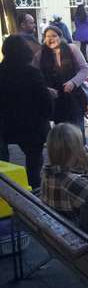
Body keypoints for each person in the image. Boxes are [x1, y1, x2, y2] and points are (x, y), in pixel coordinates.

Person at [0, 35, 52, 189]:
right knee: (34, 161)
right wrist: (47, 114)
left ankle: (7, 188)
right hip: (32, 126)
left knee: (3, 160)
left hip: (5, 125)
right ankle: (34, 188)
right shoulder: (32, 73)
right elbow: (44, 100)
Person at [37, 25, 88, 132]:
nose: (51, 39)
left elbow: (84, 69)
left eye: (54, 36)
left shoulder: (71, 48)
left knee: (77, 132)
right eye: (47, 36)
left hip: (74, 97)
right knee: (62, 133)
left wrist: (73, 82)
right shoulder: (41, 54)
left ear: (60, 37)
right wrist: (46, 88)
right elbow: (33, 75)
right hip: (56, 101)